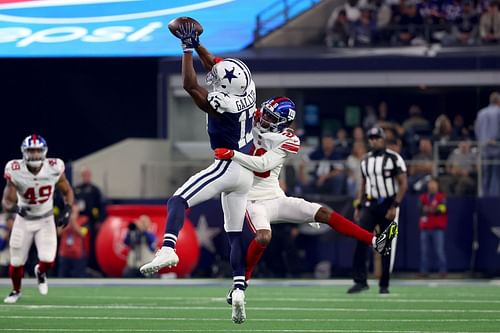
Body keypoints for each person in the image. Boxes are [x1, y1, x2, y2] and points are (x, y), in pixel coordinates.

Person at [214, 97, 398, 302]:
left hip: (275, 197)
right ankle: (240, 285)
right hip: (251, 200)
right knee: (264, 237)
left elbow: (262, 164)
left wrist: (232, 154)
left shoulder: (287, 139)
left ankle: (375, 242)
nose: (263, 117)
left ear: (281, 124)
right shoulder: (250, 119)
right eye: (265, 112)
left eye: (270, 117)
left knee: (324, 213)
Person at [138, 21, 255, 324]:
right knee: (233, 235)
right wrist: (200, 43)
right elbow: (217, 66)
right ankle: (239, 288)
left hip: (228, 165)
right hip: (246, 170)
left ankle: (167, 248)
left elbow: (191, 86)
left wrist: (187, 48)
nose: (215, 75)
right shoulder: (245, 86)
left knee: (177, 200)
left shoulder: (223, 104)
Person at [2, 134, 74, 303]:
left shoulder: (54, 167)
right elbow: (7, 200)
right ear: (24, 153)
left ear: (44, 152)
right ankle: (16, 291)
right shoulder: (15, 169)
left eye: (37, 151)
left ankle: (40, 272)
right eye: (31, 151)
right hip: (24, 220)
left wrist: (68, 210)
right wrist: (14, 207)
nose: (34, 154)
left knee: (48, 260)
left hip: (45, 219)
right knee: (16, 260)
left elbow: (67, 191)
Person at [348, 127, 407, 294]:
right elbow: (363, 183)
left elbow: (403, 183)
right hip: (370, 204)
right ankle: (360, 281)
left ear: (383, 139)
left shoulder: (394, 158)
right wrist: (359, 204)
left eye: (377, 138)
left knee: (385, 244)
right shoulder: (365, 160)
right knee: (361, 239)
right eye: (371, 138)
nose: (374, 140)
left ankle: (384, 284)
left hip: (388, 203)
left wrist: (395, 205)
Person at [74, 167, 105, 275]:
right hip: (78, 222)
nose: (86, 176)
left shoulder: (95, 190)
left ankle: (91, 266)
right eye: (84, 174)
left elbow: (101, 206)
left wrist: (99, 221)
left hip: (90, 223)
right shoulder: (77, 189)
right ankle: (79, 265)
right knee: (77, 243)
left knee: (90, 244)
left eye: (87, 174)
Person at [418, 178, 447, 277]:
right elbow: (420, 209)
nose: (432, 186)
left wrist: (430, 209)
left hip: (437, 228)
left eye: (434, 184)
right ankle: (424, 271)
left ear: (437, 185)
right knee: (424, 251)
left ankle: (442, 271)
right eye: (430, 184)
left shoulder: (441, 197)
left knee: (439, 251)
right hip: (425, 228)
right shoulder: (423, 197)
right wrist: (429, 209)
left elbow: (442, 209)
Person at [475, 91, 500, 197]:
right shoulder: (499, 112)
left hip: (484, 147)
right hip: (496, 147)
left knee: (485, 175)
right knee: (496, 175)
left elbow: (477, 130)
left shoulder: (481, 113)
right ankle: (494, 199)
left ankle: (485, 197)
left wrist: (481, 141)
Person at [58, 203, 88, 278]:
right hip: (64, 254)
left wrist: (73, 222)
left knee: (78, 276)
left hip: (77, 254)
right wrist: (67, 222)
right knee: (63, 276)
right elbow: (58, 232)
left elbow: (82, 233)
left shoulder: (84, 220)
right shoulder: (63, 219)